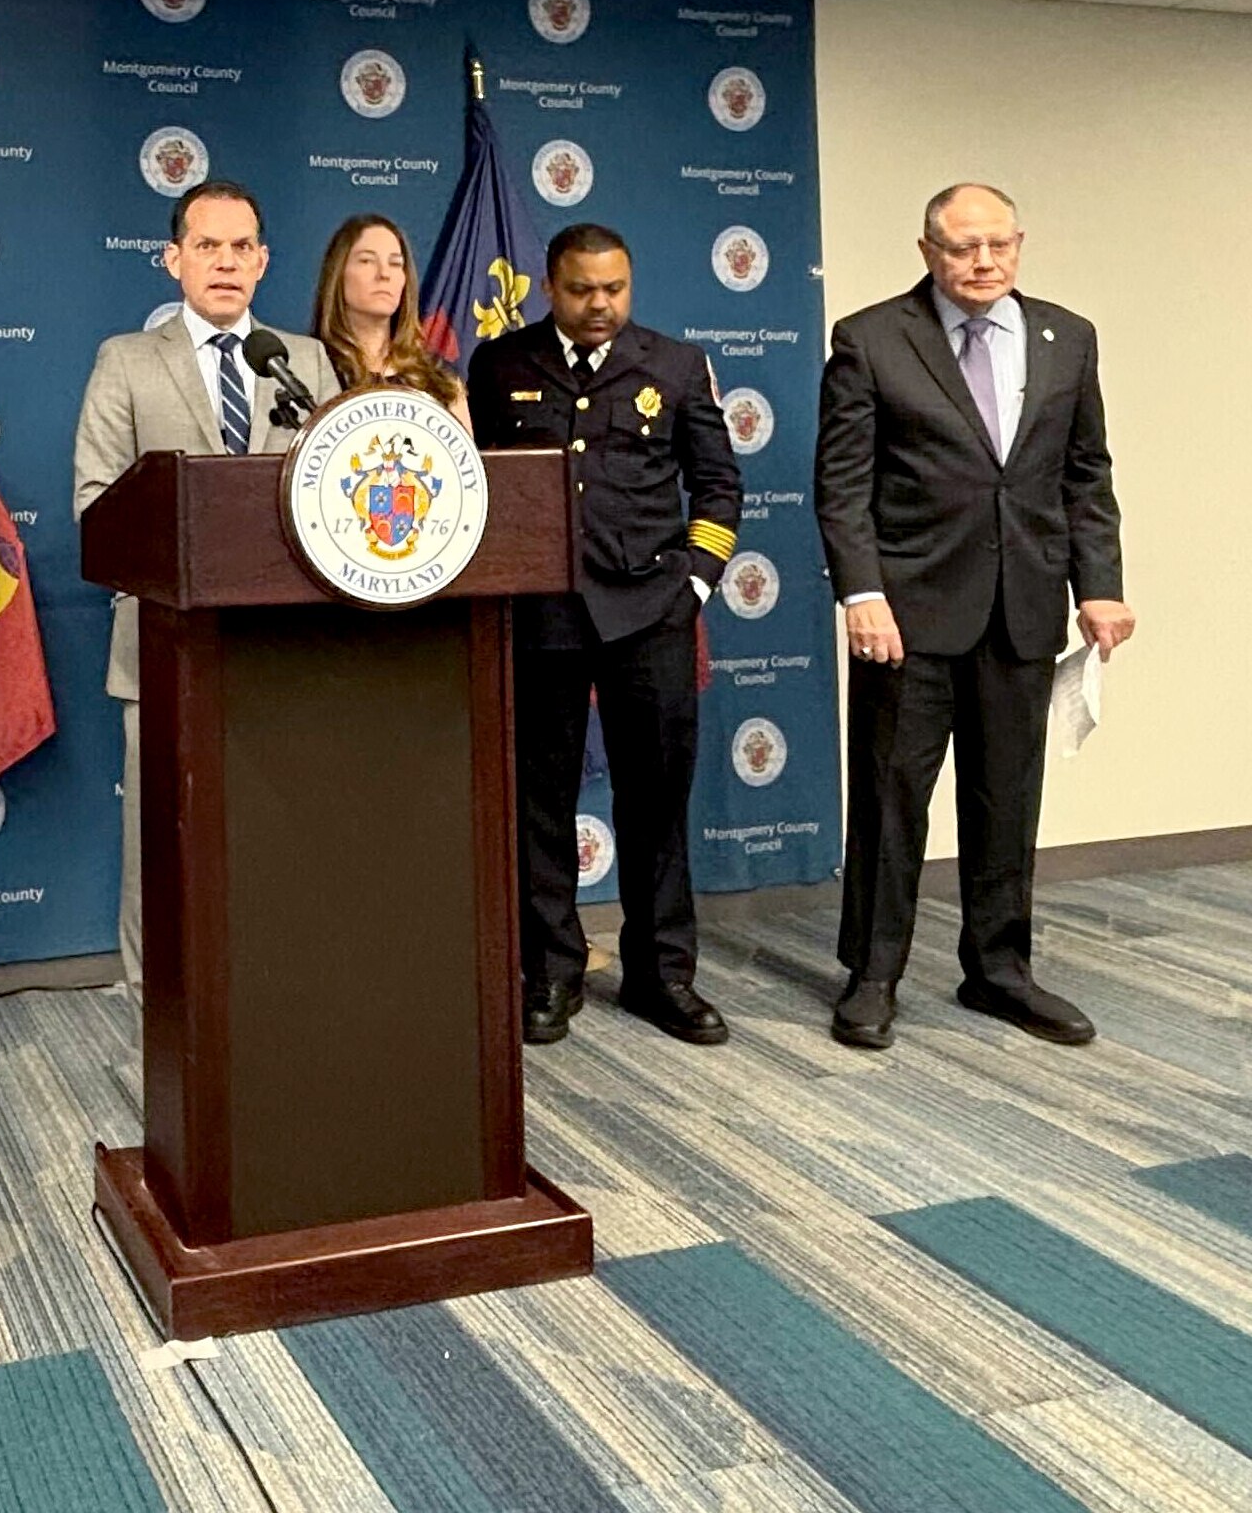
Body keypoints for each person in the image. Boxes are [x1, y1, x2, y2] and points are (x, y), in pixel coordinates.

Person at [815, 182, 1131, 1050]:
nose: (984, 262)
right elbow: (842, 485)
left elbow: (1085, 474)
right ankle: (873, 973)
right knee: (891, 800)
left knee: (1007, 798)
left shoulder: (1068, 337)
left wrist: (1098, 585)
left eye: (999, 244)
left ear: (1020, 243)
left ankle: (999, 970)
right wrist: (862, 594)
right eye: (962, 247)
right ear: (928, 252)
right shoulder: (872, 339)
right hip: (906, 616)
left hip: (1022, 606)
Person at [467, 222, 740, 1049]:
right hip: (541, 612)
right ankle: (551, 970)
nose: (600, 305)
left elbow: (719, 484)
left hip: (650, 611)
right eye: (582, 290)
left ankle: (662, 974)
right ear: (550, 286)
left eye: (614, 289)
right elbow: (480, 484)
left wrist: (696, 583)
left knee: (656, 799)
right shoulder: (501, 364)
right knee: (540, 801)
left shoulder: (677, 365)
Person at [71, 179, 337, 983]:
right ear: (173, 259)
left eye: (241, 247)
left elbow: (338, 501)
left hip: (280, 651)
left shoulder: (302, 361)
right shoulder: (126, 360)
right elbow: (96, 507)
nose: (225, 262)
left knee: (279, 834)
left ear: (263, 261)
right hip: (164, 646)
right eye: (207, 246)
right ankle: (152, 1001)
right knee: (162, 842)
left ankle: (273, 991)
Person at [311, 212, 465, 410]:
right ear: (338, 274)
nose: (384, 274)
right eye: (367, 261)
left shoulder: (443, 385)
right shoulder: (310, 373)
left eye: (395, 263)